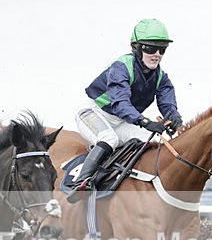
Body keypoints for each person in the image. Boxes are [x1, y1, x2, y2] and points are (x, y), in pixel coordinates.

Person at [68, 18, 183, 200]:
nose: (157, 54)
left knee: (156, 143)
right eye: (151, 49)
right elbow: (121, 104)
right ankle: (82, 182)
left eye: (162, 49)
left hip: (123, 121)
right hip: (93, 113)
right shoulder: (121, 67)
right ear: (136, 47)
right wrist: (145, 122)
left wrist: (174, 118)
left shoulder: (161, 77)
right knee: (109, 138)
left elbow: (167, 104)